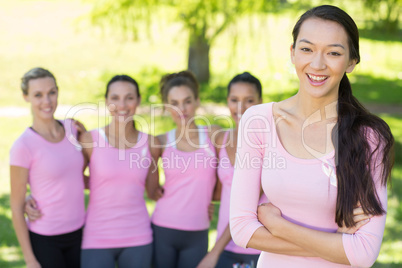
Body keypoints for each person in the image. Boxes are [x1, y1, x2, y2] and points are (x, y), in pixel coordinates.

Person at [230, 5, 394, 267]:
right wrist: (336, 244)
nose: (317, 64)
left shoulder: (370, 138)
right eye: (306, 49)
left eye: (333, 52)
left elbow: (363, 254)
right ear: (292, 53)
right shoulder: (258, 121)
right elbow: (241, 229)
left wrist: (277, 226)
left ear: (351, 61)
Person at [78, 75, 158, 268]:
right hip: (96, 236)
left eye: (129, 98)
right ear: (106, 101)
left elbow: (154, 192)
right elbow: (69, 179)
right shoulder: (90, 139)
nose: (122, 104)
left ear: (138, 100)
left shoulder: (151, 143)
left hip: (138, 236)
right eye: (115, 98)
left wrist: (202, 201)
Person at [10, 67, 86, 268]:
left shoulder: (73, 129)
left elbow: (86, 175)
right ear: (26, 97)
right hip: (45, 239)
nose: (47, 101)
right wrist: (30, 259)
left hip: (80, 233)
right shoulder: (23, 146)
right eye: (38, 95)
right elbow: (16, 207)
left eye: (52, 92)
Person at [149, 70, 220, 268]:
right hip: (163, 227)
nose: (182, 109)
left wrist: (210, 199)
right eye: (174, 103)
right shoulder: (161, 141)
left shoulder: (214, 135)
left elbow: (227, 178)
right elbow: (150, 189)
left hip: (198, 230)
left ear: (197, 101)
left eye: (187, 101)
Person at [197, 72, 266, 268]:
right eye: (234, 100)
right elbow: (220, 188)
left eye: (249, 100)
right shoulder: (222, 139)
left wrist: (213, 253)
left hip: (257, 247)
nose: (240, 107)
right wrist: (204, 201)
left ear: (260, 102)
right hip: (227, 246)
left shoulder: (267, 146)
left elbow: (246, 206)